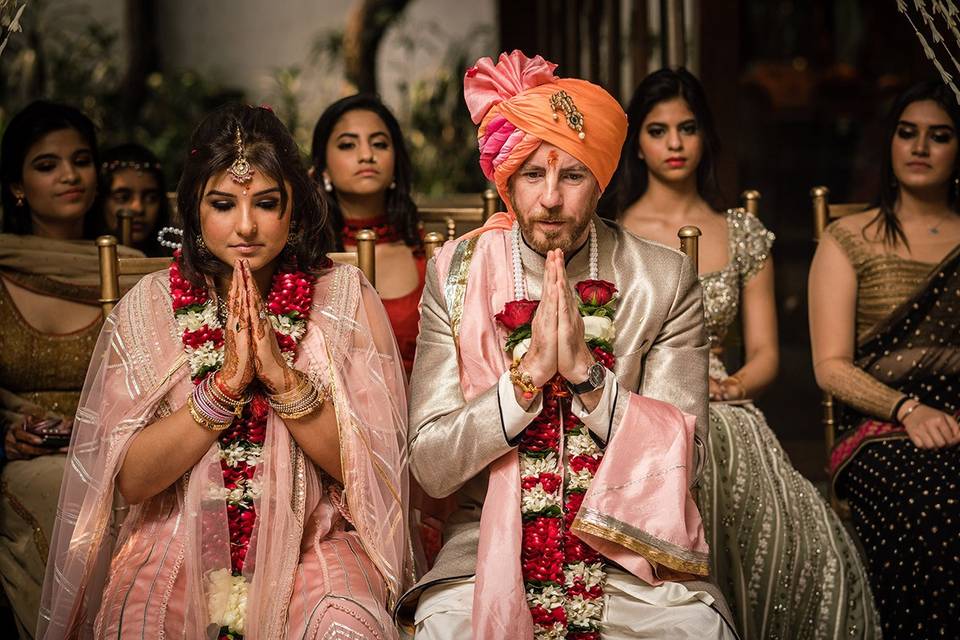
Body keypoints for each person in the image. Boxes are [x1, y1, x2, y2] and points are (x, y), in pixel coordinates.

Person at [397, 50, 738, 639]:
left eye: (572, 174)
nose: (550, 198)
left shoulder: (662, 279)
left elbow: (691, 463)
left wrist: (587, 377)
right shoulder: (456, 275)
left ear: (600, 181)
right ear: (507, 178)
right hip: (482, 550)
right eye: (532, 173)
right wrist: (525, 379)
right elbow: (430, 465)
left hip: (629, 552)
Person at [38, 104, 410, 639]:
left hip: (316, 540)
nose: (245, 226)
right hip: (176, 541)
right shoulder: (149, 306)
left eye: (265, 203)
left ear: (294, 211)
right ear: (193, 208)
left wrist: (282, 379)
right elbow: (133, 482)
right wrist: (224, 388)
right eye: (222, 203)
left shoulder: (344, 298)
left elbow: (371, 474)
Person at [600, 67, 880, 640]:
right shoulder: (611, 230)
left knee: (725, 442)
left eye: (688, 128)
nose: (675, 144)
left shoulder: (742, 231)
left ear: (707, 138)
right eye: (658, 130)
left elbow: (767, 354)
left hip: (727, 395)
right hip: (634, 399)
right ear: (637, 144)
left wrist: (731, 385)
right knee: (675, 433)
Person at [809, 80, 960, 639]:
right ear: (889, 144)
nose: (919, 148)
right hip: (882, 426)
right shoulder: (851, 238)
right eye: (907, 133)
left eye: (939, 136)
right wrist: (908, 409)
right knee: (935, 503)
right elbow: (830, 366)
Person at [0, 100, 131, 639]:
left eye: (80, 160)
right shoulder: (3, 268)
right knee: (61, 490)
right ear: (16, 186)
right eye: (47, 164)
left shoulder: (130, 270)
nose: (70, 175)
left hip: (119, 451)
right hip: (23, 460)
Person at [310, 94, 424, 375]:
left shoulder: (428, 253)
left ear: (396, 162)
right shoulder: (306, 253)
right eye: (348, 144)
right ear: (323, 167)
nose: (366, 155)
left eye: (379, 144)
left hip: (418, 412)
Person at [99, 143, 172, 256]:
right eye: (123, 198)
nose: (138, 208)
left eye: (151, 198)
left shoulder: (178, 261)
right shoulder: (81, 256)